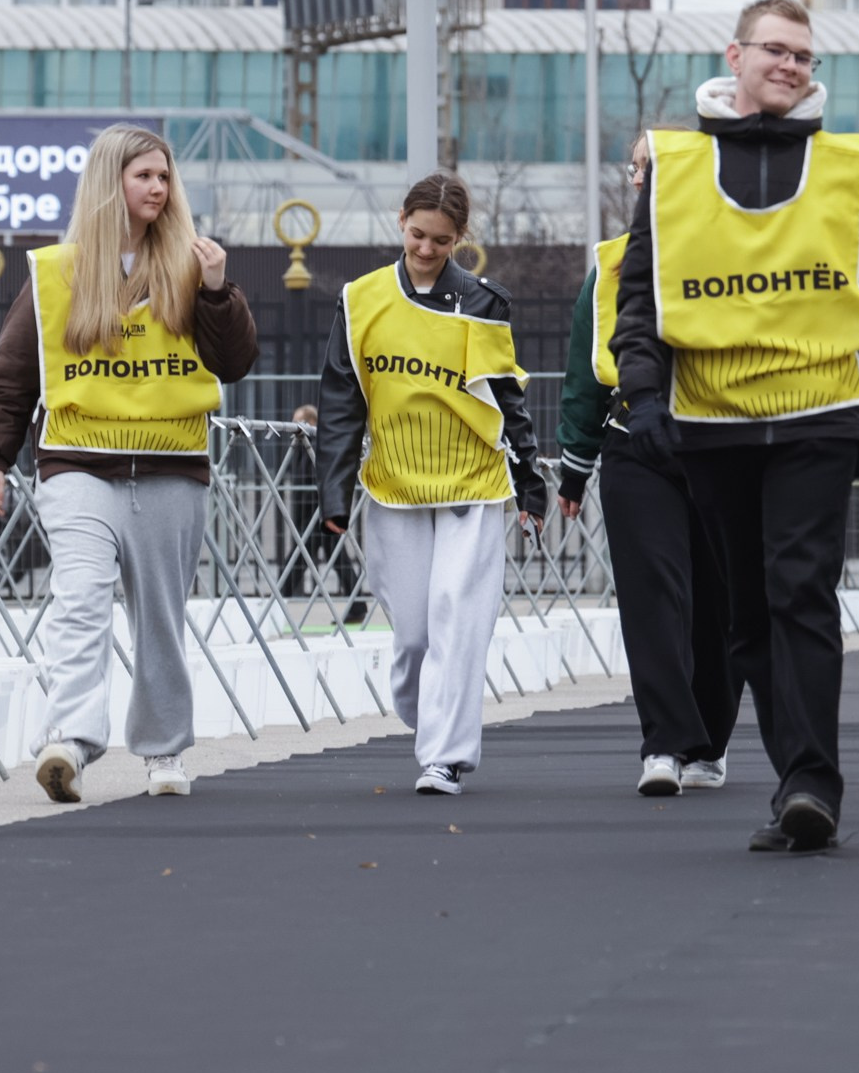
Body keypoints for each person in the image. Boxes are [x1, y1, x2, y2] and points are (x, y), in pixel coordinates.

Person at [610, 0, 859, 853]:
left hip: (820, 414)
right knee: (746, 613)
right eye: (775, 50)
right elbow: (643, 297)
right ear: (735, 56)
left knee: (801, 594)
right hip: (713, 420)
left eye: (805, 56)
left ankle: (814, 782)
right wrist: (647, 397)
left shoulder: (847, 167)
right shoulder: (675, 167)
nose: (791, 65)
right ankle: (796, 781)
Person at [0, 124, 258, 804]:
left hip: (171, 462)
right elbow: (12, 372)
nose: (158, 187)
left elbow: (236, 361)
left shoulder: (193, 267)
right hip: (76, 463)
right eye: (143, 176)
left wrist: (218, 289)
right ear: (111, 182)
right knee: (79, 599)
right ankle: (69, 739)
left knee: (160, 615)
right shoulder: (58, 273)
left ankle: (163, 753)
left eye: (164, 176)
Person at [315, 173, 547, 797]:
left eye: (441, 242)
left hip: (473, 481)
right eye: (418, 235)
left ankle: (444, 756)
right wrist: (332, 491)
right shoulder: (359, 300)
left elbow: (506, 396)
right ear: (401, 222)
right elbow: (341, 401)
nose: (425, 249)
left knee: (458, 618)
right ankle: (431, 725)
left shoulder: (482, 301)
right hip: (395, 485)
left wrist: (529, 478)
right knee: (414, 633)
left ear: (459, 239)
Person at [557, 132, 743, 798]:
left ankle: (710, 742)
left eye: (657, 166)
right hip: (635, 445)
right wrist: (574, 468)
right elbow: (585, 371)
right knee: (652, 593)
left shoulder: (735, 255)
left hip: (720, 442)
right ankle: (663, 741)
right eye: (638, 166)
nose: (643, 177)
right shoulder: (607, 267)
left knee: (722, 600)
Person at [283, 404, 365, 625]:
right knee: (335, 558)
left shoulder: (316, 445)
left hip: (317, 513)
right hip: (315, 512)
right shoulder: (304, 445)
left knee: (299, 558)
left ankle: (276, 601)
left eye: (298, 421)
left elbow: (312, 478)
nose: (293, 426)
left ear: (310, 423)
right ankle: (358, 605)